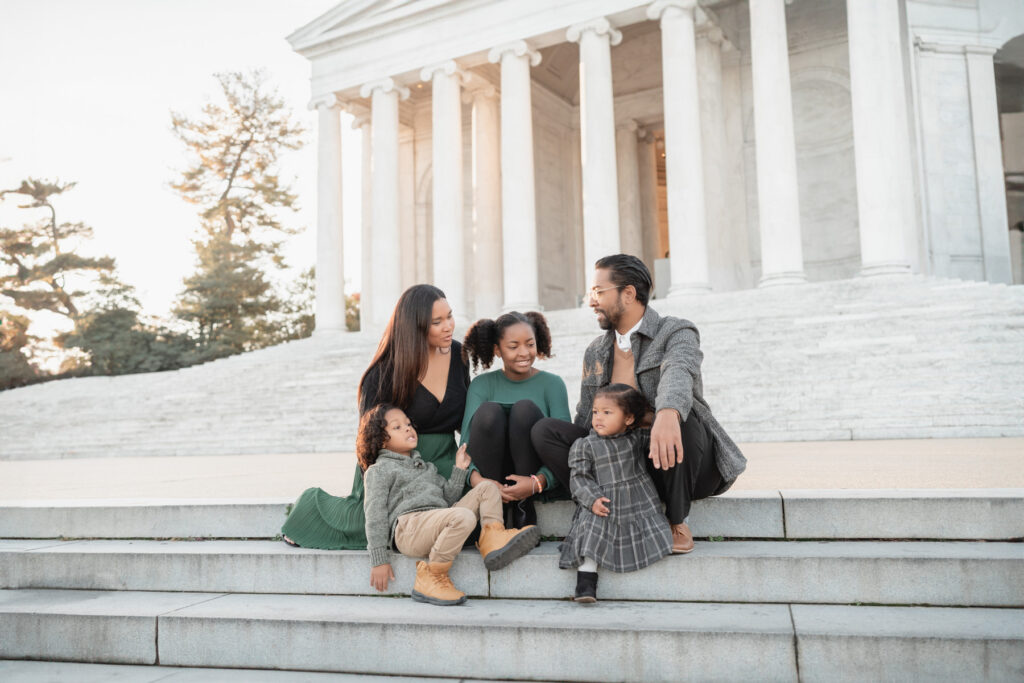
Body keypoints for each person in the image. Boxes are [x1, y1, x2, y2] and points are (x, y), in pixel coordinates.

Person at [532, 254, 747, 554]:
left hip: (685, 465)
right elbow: (585, 416)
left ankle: (675, 521)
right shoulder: (596, 350)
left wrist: (667, 413)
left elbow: (679, 372)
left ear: (629, 293)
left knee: (679, 420)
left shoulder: (675, 331)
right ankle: (606, 505)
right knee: (545, 431)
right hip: (625, 469)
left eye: (598, 292)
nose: (591, 301)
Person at [281, 284, 469, 549]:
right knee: (374, 521)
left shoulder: (459, 355)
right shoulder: (383, 373)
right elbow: (368, 439)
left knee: (471, 512)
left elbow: (465, 419)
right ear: (415, 326)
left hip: (444, 461)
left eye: (449, 316)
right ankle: (310, 509)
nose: (448, 326)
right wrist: (375, 489)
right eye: (436, 322)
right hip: (395, 466)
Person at [361, 404, 541, 605]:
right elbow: (374, 515)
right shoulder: (379, 471)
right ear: (381, 440)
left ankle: (493, 537)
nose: (407, 428)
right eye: (397, 427)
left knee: (488, 487)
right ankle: (432, 575)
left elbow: (447, 498)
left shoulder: (425, 466)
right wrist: (379, 560)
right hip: (408, 529)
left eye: (408, 424)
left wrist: (460, 469)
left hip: (437, 519)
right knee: (463, 517)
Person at [559, 384, 673, 603]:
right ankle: (585, 584)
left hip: (637, 502)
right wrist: (592, 499)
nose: (598, 417)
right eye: (595, 412)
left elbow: (659, 437)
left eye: (607, 412)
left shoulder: (636, 439)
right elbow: (579, 477)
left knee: (644, 531)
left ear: (628, 419)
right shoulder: (585, 445)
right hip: (604, 501)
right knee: (593, 528)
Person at [460, 311, 571, 528]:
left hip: (532, 477)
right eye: (513, 346)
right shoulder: (481, 385)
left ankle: (522, 510)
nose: (524, 353)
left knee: (524, 409)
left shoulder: (553, 384)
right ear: (497, 350)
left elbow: (564, 445)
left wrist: (537, 482)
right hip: (489, 478)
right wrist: (480, 482)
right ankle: (492, 514)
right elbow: (464, 447)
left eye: (530, 344)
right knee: (489, 412)